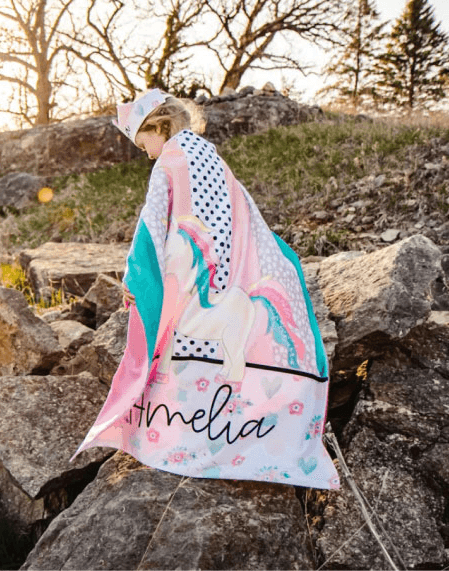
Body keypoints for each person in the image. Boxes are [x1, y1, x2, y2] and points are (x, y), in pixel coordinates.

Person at [74, 89, 339, 490]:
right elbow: (246, 212)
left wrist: (137, 279)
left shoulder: (171, 161)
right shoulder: (209, 156)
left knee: (176, 342)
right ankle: (251, 438)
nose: (144, 152)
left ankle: (180, 439)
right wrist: (281, 263)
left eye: (142, 141)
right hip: (230, 272)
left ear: (159, 127)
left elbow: (152, 225)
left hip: (194, 279)